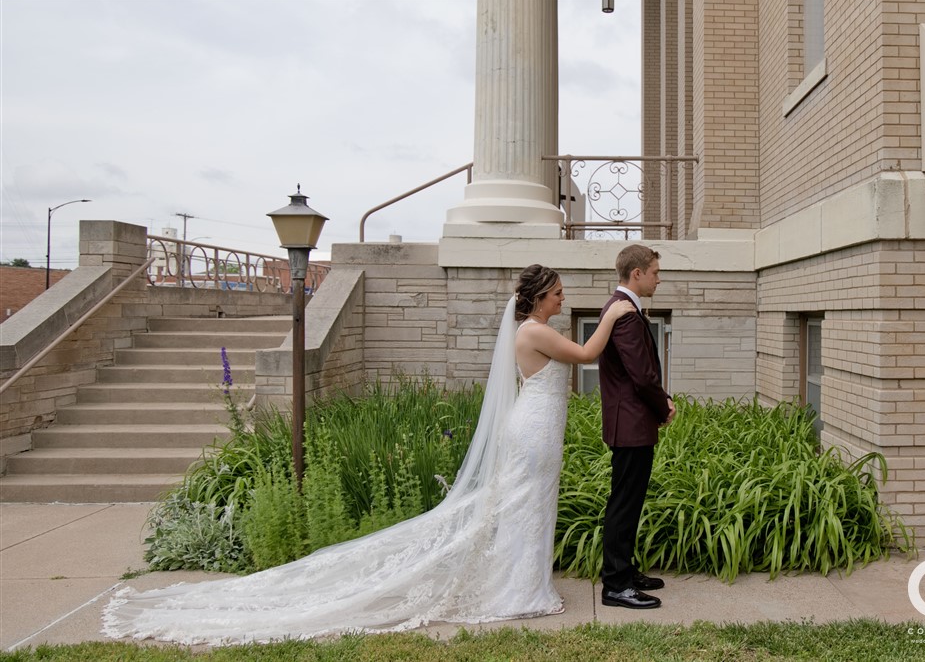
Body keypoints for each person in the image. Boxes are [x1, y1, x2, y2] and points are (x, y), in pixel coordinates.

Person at [102, 264, 634, 645]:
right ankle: (520, 590)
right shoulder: (536, 331)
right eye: (559, 293)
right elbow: (588, 354)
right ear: (540, 297)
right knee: (522, 506)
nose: (564, 299)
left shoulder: (533, 327)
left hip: (538, 427)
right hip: (534, 430)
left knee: (527, 506)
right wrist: (616, 309)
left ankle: (525, 583)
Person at [598, 244, 676, 610]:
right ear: (637, 273)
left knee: (629, 502)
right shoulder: (625, 314)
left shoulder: (624, 308)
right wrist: (663, 407)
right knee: (624, 504)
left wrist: (662, 399)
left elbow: (642, 374)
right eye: (656, 272)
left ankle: (625, 573)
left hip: (631, 422)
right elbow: (642, 376)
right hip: (630, 425)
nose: (659, 279)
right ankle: (615, 585)